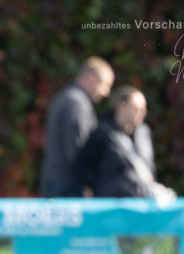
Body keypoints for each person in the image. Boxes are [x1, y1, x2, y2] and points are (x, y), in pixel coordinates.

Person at [39, 57, 114, 197]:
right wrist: (88, 183)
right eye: (105, 85)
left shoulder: (67, 97)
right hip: (67, 187)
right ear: (91, 77)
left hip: (57, 182)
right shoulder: (77, 103)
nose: (106, 93)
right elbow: (78, 151)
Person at [77, 86, 159, 198]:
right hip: (110, 201)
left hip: (141, 200)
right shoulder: (102, 132)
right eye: (136, 108)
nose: (141, 113)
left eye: (143, 108)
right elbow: (84, 165)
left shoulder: (143, 132)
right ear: (121, 106)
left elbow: (149, 166)